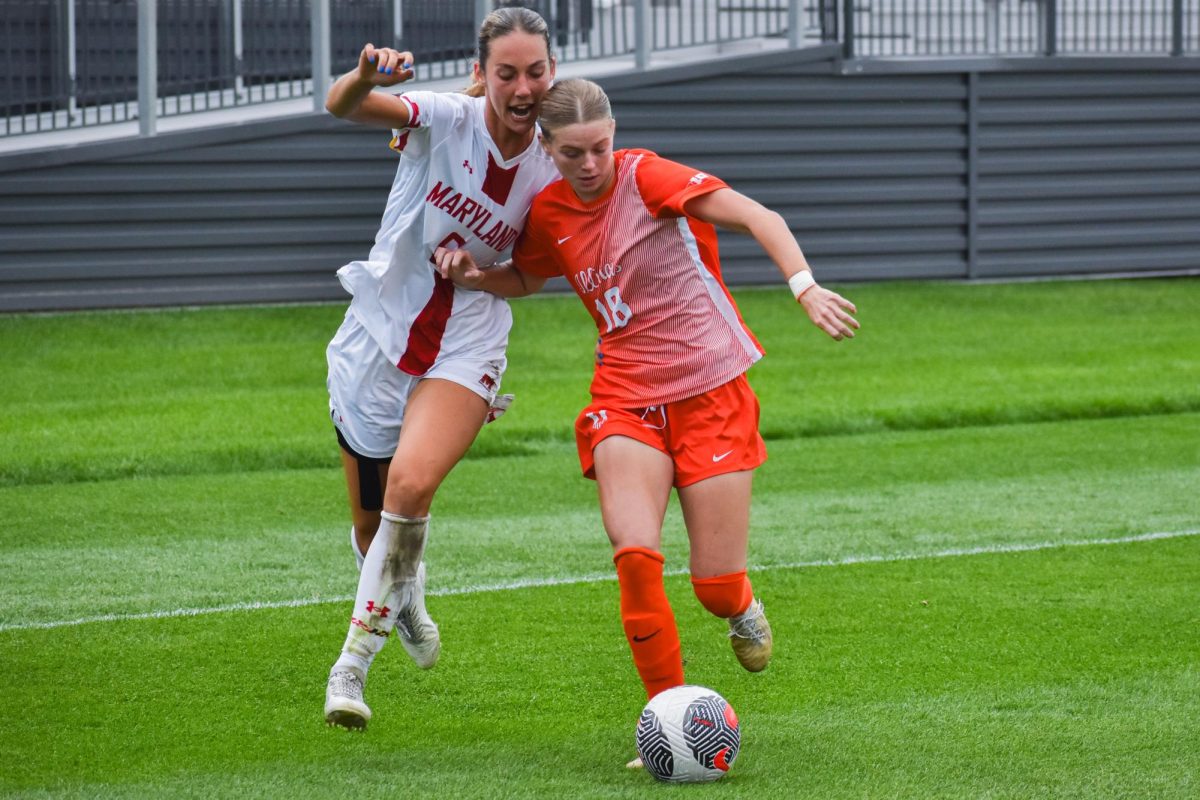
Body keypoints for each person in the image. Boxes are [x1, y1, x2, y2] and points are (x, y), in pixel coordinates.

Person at [434, 78, 859, 764]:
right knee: (634, 554)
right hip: (624, 399)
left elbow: (758, 216)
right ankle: (666, 714)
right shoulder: (548, 211)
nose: (591, 163)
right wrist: (475, 277)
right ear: (547, 149)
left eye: (600, 146)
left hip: (711, 392)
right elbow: (529, 275)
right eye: (572, 153)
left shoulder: (648, 176)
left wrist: (803, 287)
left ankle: (741, 604)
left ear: (614, 135)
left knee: (714, 587)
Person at [321, 7, 560, 731]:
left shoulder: (554, 160)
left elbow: (534, 273)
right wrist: (365, 74)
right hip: (381, 334)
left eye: (537, 71)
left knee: (412, 483)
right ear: (483, 74)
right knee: (373, 529)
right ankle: (407, 591)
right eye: (508, 73)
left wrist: (480, 276)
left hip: (470, 340)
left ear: (554, 72)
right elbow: (346, 105)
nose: (524, 88)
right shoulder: (446, 118)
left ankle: (350, 668)